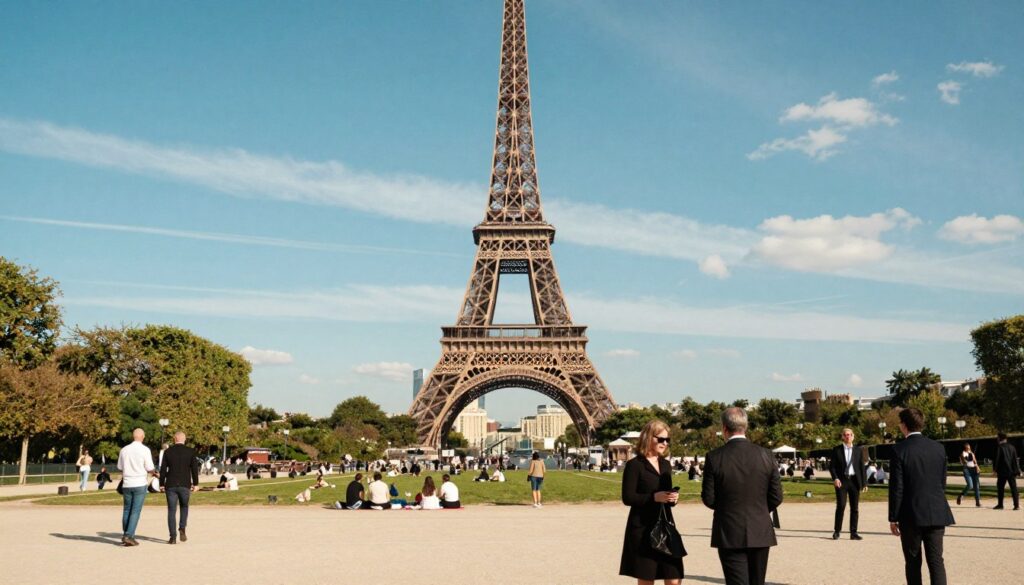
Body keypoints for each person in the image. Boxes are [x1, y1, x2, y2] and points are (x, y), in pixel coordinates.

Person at [702, 407, 783, 585]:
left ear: (724, 428)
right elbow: (776, 496)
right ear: (746, 426)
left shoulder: (714, 457)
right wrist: (760, 510)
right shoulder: (766, 455)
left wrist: (728, 508)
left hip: (729, 529)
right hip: (759, 528)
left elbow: (709, 498)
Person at [888, 407, 955, 585]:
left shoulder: (899, 450)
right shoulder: (938, 448)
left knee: (913, 562)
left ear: (904, 425)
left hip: (911, 513)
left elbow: (897, 487)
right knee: (936, 561)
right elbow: (942, 482)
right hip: (936, 510)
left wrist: (893, 517)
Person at [620, 419, 683, 584]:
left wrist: (672, 499)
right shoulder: (634, 465)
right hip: (643, 529)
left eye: (667, 439)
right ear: (648, 437)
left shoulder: (666, 465)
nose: (665, 443)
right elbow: (628, 497)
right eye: (661, 439)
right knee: (647, 578)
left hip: (665, 526)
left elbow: (665, 496)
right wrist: (653, 497)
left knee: (674, 577)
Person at [117, 428, 157, 547]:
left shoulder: (124, 450)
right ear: (143, 437)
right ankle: (129, 535)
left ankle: (126, 533)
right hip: (139, 482)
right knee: (135, 511)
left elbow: (120, 467)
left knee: (127, 510)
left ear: (133, 436)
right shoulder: (145, 450)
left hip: (127, 483)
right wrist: (154, 472)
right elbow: (149, 467)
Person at [159, 431, 199, 545]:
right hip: (185, 483)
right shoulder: (190, 451)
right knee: (184, 507)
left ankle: (172, 537)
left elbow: (163, 469)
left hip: (171, 484)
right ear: (184, 439)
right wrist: (196, 483)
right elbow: (194, 469)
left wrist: (161, 484)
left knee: (171, 510)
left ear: (174, 439)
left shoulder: (168, 451)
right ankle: (182, 528)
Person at [829, 428, 867, 540]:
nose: (848, 437)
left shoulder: (858, 450)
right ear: (842, 437)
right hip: (842, 481)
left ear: (853, 436)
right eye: (845, 435)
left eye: (850, 435)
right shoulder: (837, 450)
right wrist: (835, 478)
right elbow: (832, 467)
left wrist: (864, 483)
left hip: (854, 481)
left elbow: (861, 467)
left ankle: (853, 532)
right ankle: (837, 531)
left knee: (854, 508)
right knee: (841, 506)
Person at [993, 432, 1021, 510]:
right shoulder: (1012, 447)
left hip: (1002, 471)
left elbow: (997, 459)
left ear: (1000, 438)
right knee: (1014, 488)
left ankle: (1000, 505)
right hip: (1011, 471)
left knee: (1000, 488)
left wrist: (995, 469)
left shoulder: (999, 447)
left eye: (997, 437)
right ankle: (1016, 505)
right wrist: (1017, 470)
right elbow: (1015, 460)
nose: (997, 439)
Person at [956, 443, 981, 507]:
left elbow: (974, 461)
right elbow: (964, 462)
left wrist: (977, 467)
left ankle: (977, 502)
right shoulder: (962, 454)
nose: (969, 449)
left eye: (969, 448)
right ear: (965, 448)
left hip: (974, 470)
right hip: (967, 470)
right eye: (967, 448)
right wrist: (967, 458)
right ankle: (961, 496)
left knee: (976, 486)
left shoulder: (971, 453)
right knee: (970, 485)